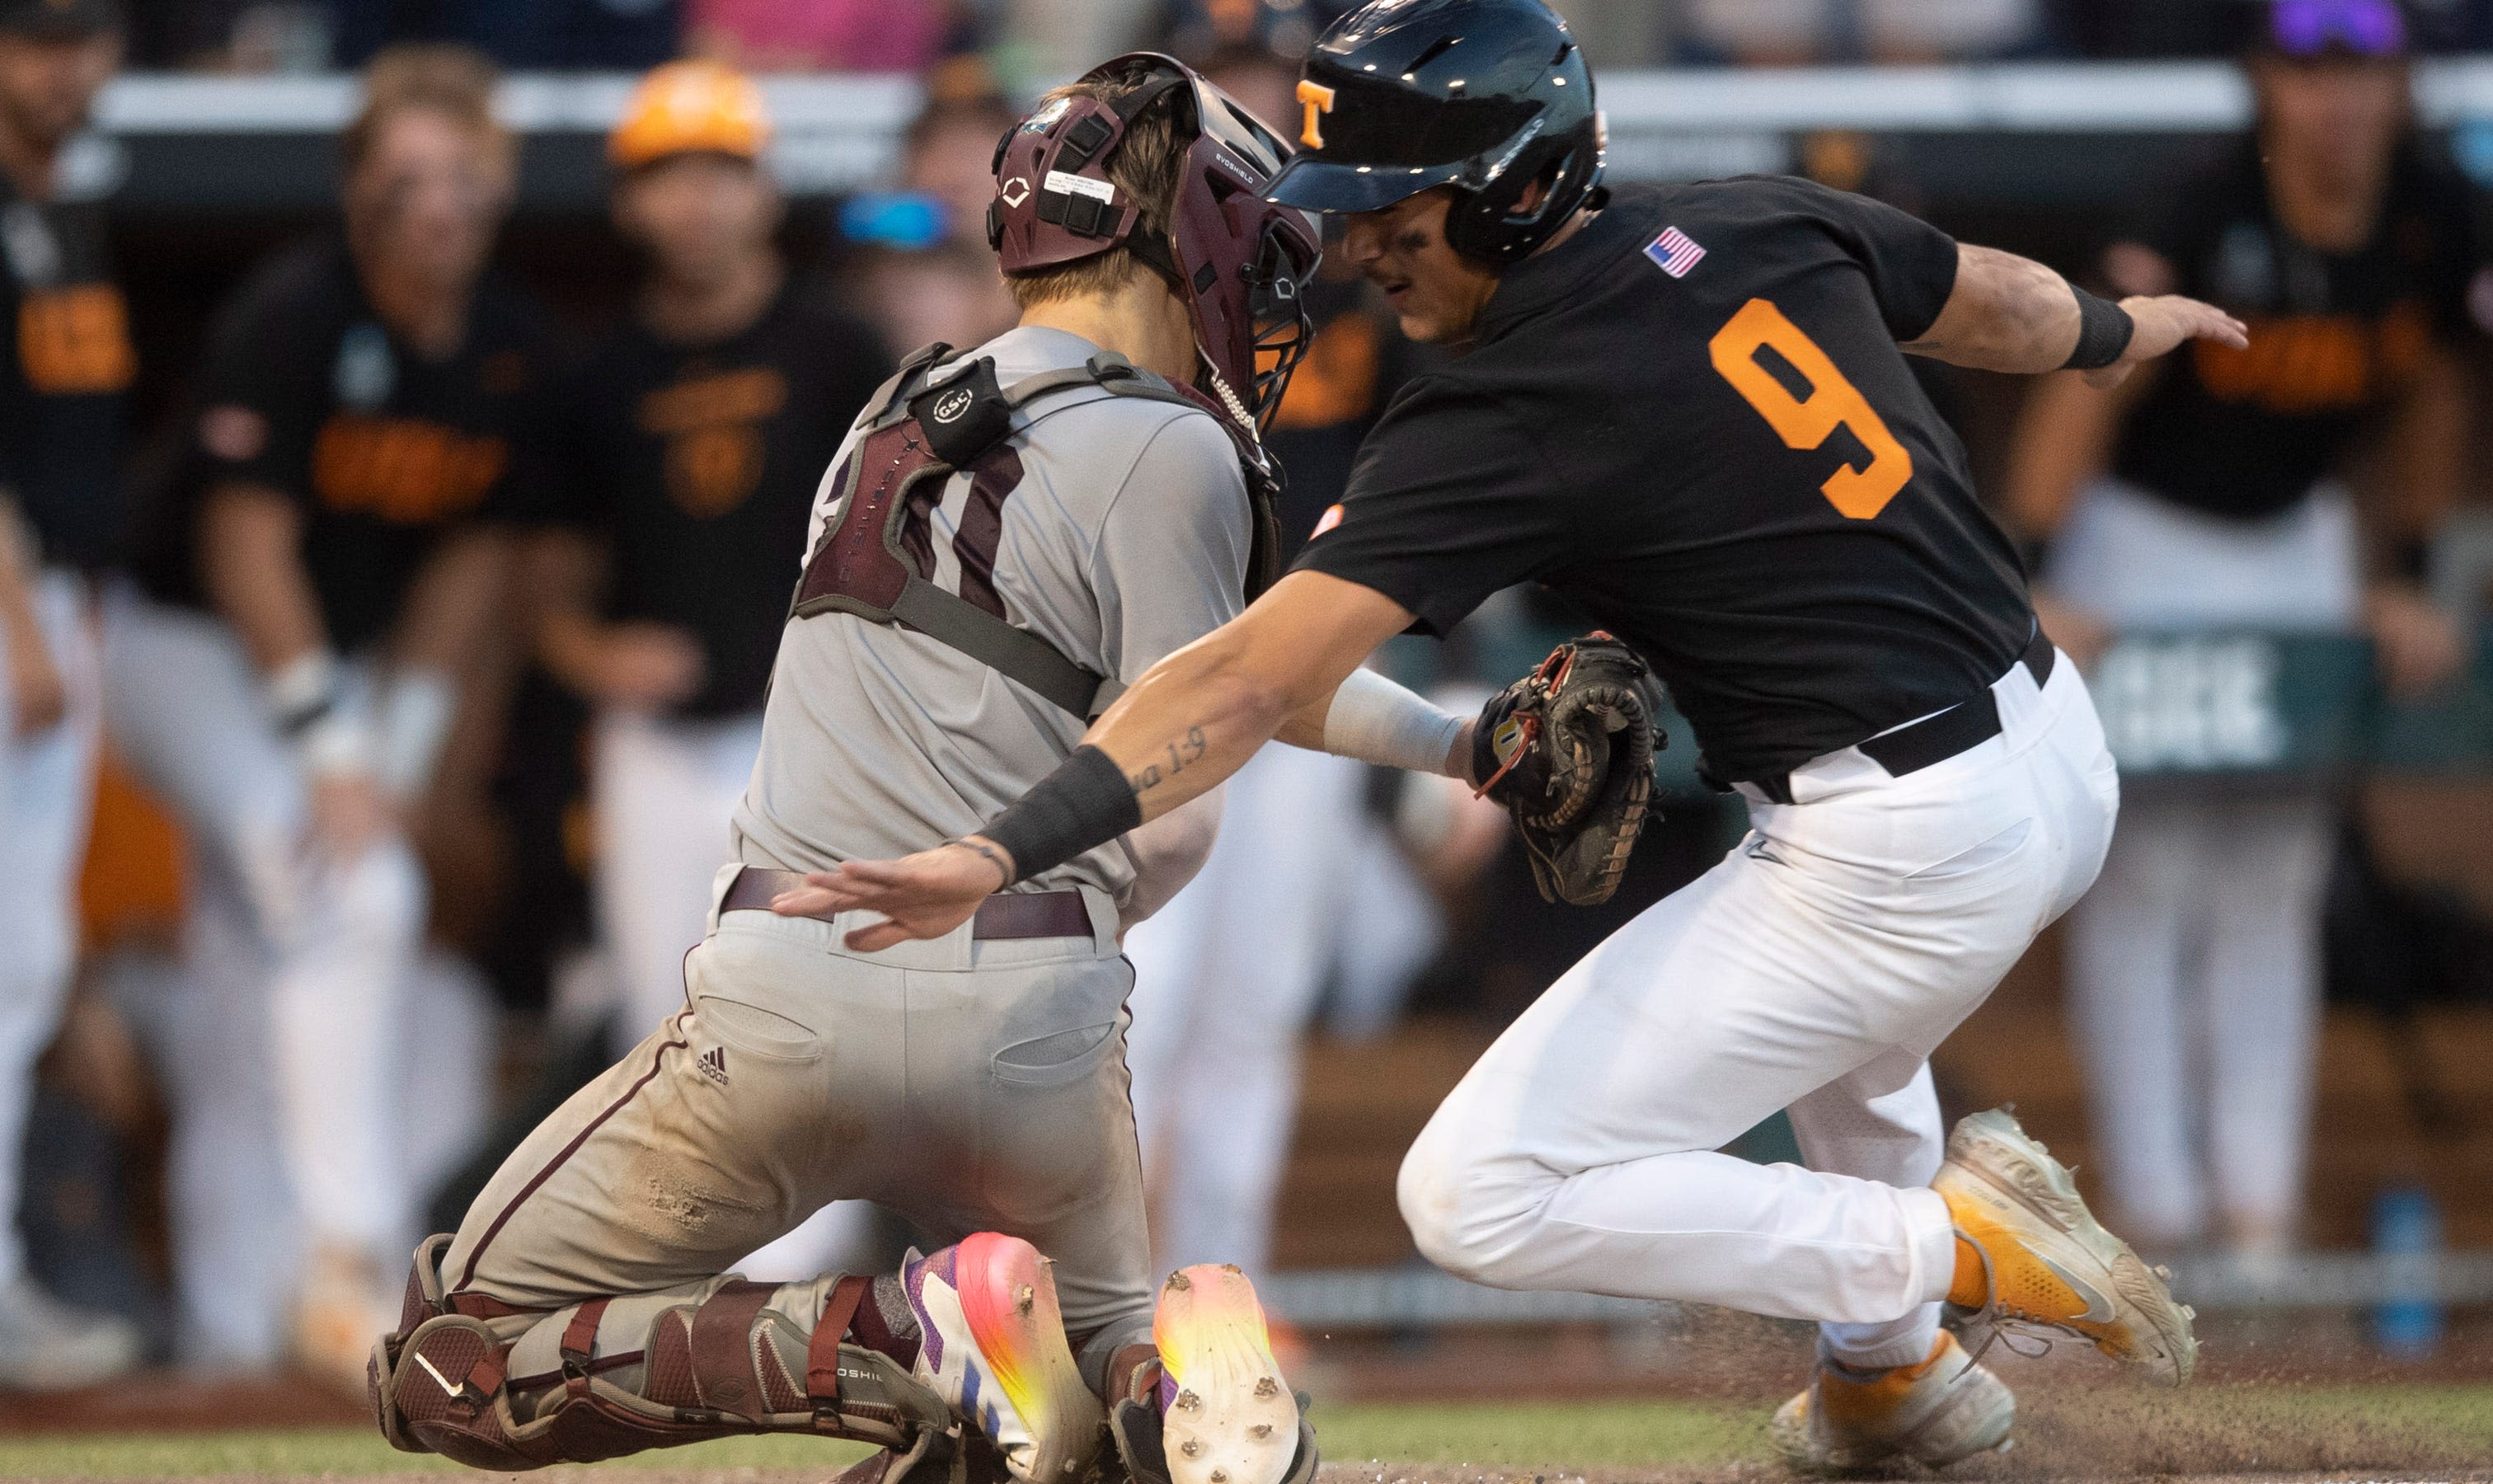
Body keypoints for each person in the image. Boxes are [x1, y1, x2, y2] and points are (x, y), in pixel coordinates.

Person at [786, 0, 2256, 1472]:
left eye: (1392, 214)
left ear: (1509, 186)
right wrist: (2125, 332)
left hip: (1899, 845)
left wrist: (1001, 847)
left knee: (1478, 1194)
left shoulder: (1508, 404)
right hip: (2052, 752)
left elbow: (1243, 686)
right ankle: (1894, 1382)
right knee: (1852, 1049)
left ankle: (1953, 1251)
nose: (1356, 248)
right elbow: (1991, 302)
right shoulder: (1751, 219)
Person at [373, 54, 1453, 1484]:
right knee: (1060, 1418)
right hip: (1037, 1022)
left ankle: (899, 1331)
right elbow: (1218, 733)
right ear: (1174, 230)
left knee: (448, 1364)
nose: (1262, 275)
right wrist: (1464, 743)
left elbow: (1234, 676)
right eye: (1244, 232)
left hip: (791, 988)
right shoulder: (1177, 448)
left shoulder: (890, 403)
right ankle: (1148, 1368)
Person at [2003, 0, 2488, 1265]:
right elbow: (2092, 370)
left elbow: (2436, 393)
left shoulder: (2437, 207)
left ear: (2397, 84)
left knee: (2276, 879)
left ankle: (2259, 1216)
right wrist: (2037, 575)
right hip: (2144, 538)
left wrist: (2406, 575)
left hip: (2297, 538)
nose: (2338, 100)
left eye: (2363, 72)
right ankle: (2159, 1217)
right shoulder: (2200, 198)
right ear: (2266, 80)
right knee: (2147, 876)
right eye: (2310, 70)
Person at [104, 43, 540, 1377]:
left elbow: (474, 565)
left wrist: (398, 755)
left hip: (334, 666)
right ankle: (358, 1261)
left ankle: (233, 1333)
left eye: (463, 177)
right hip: (183, 645)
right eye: (407, 178)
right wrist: (334, 753)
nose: (437, 204)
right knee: (355, 896)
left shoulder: (508, 344)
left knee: (260, 984)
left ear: (500, 185)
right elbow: (245, 549)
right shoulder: (295, 311)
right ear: (357, 190)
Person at [528, 59, 894, 1279]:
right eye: (668, 175)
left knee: (816, 1010)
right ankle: (691, 1280)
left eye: (719, 172)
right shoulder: (600, 374)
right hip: (656, 739)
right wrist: (591, 653)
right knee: (664, 1010)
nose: (696, 201)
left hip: (805, 732)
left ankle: (806, 1290)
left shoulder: (839, 345)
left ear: (762, 187)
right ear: (630, 201)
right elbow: (551, 577)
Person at [1120, 41, 1446, 1291]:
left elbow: (1426, 493)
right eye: (1217, 93)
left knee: (1253, 1011)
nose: (1245, 125)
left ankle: (1216, 1305)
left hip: (1308, 682)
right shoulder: (1126, 277)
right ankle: (1100, 1308)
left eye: (1265, 90)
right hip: (1164, 679)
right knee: (1137, 1000)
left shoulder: (1361, 280)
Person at [0, 0, 144, 1390]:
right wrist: (21, 618)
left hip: (56, 599)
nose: (65, 63)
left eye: (84, 34)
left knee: (26, 957)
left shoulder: (64, 207)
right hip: (12, 598)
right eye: (36, 34)